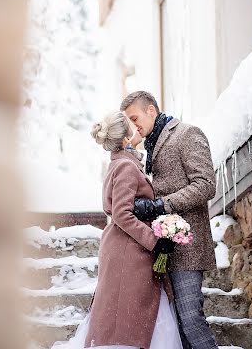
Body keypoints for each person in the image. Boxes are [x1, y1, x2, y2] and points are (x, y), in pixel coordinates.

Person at [53, 111, 182, 349]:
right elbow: (122, 213)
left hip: (128, 248)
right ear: (125, 136)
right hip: (128, 251)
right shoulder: (125, 167)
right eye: (131, 124)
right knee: (129, 321)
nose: (137, 127)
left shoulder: (121, 162)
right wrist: (155, 241)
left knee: (135, 317)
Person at [121, 91, 219, 349]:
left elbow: (206, 185)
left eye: (135, 118)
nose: (134, 126)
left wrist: (162, 204)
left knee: (190, 320)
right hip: (163, 247)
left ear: (151, 110)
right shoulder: (147, 147)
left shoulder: (187, 134)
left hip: (188, 247)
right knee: (177, 327)